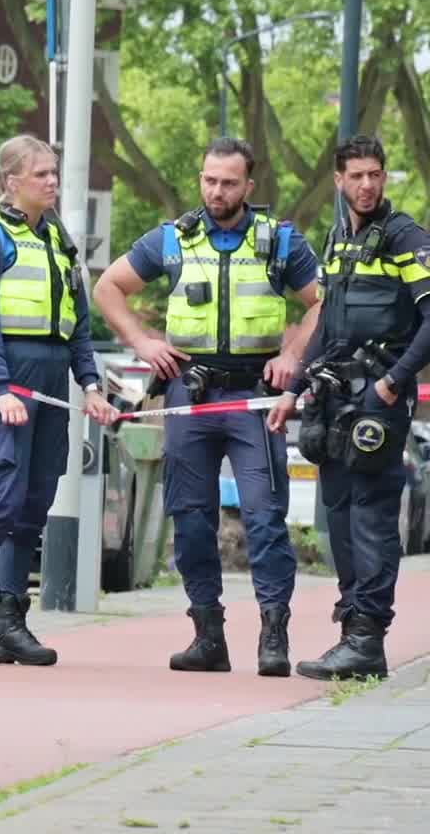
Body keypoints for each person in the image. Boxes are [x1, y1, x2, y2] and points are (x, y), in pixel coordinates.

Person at [94, 137, 320, 676]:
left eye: (228, 182)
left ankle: (273, 636)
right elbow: (108, 288)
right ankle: (207, 636)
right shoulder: (172, 240)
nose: (216, 191)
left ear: (249, 185)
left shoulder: (279, 242)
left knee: (264, 518)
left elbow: (322, 303)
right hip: (189, 396)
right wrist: (144, 343)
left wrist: (292, 353)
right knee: (191, 520)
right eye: (208, 180)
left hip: (253, 397)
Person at [0, 135, 119, 667]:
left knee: (34, 503)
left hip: (52, 380)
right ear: (12, 180)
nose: (53, 182)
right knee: (1, 501)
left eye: (54, 173)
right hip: (10, 381)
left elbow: (77, 326)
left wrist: (90, 385)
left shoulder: (59, 241)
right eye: (42, 174)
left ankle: (11, 620)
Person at [267, 135, 430, 681]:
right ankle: (351, 630)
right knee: (338, 512)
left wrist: (393, 383)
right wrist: (293, 390)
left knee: (370, 515)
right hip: (332, 396)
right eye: (356, 175)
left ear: (384, 178)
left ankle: (368, 639)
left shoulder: (406, 237)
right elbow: (327, 326)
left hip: (378, 399)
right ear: (339, 180)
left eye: (375, 174)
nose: (366, 185)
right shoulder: (337, 241)